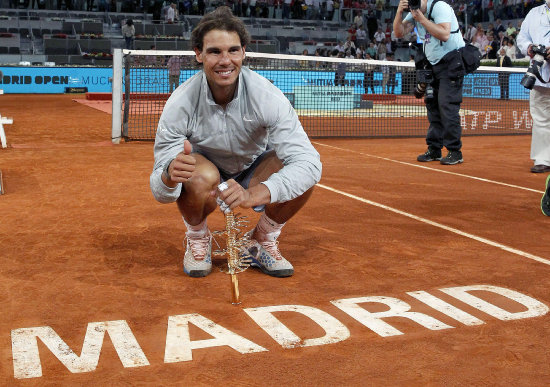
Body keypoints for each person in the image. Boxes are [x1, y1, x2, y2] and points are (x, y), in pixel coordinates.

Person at [150, 6, 322, 278]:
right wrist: (170, 177)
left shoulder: (268, 97)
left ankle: (260, 240)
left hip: (254, 169)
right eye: (215, 51)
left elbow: (310, 164)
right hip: (207, 176)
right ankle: (197, 238)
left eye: (232, 50)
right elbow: (159, 190)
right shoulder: (180, 103)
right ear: (198, 54)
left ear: (243, 52)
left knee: (301, 174)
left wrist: (253, 194)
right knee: (194, 172)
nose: (225, 60)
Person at [393, 0, 466, 165]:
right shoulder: (415, 12)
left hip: (451, 64)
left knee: (447, 106)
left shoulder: (439, 7)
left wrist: (421, 19)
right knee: (432, 106)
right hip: (433, 65)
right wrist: (399, 12)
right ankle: (434, 149)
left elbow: (444, 34)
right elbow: (398, 33)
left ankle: (455, 151)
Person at [517, 1, 550, 173]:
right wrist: (529, 48)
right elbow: (521, 38)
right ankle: (543, 159)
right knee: (540, 119)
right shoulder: (534, 13)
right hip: (539, 73)